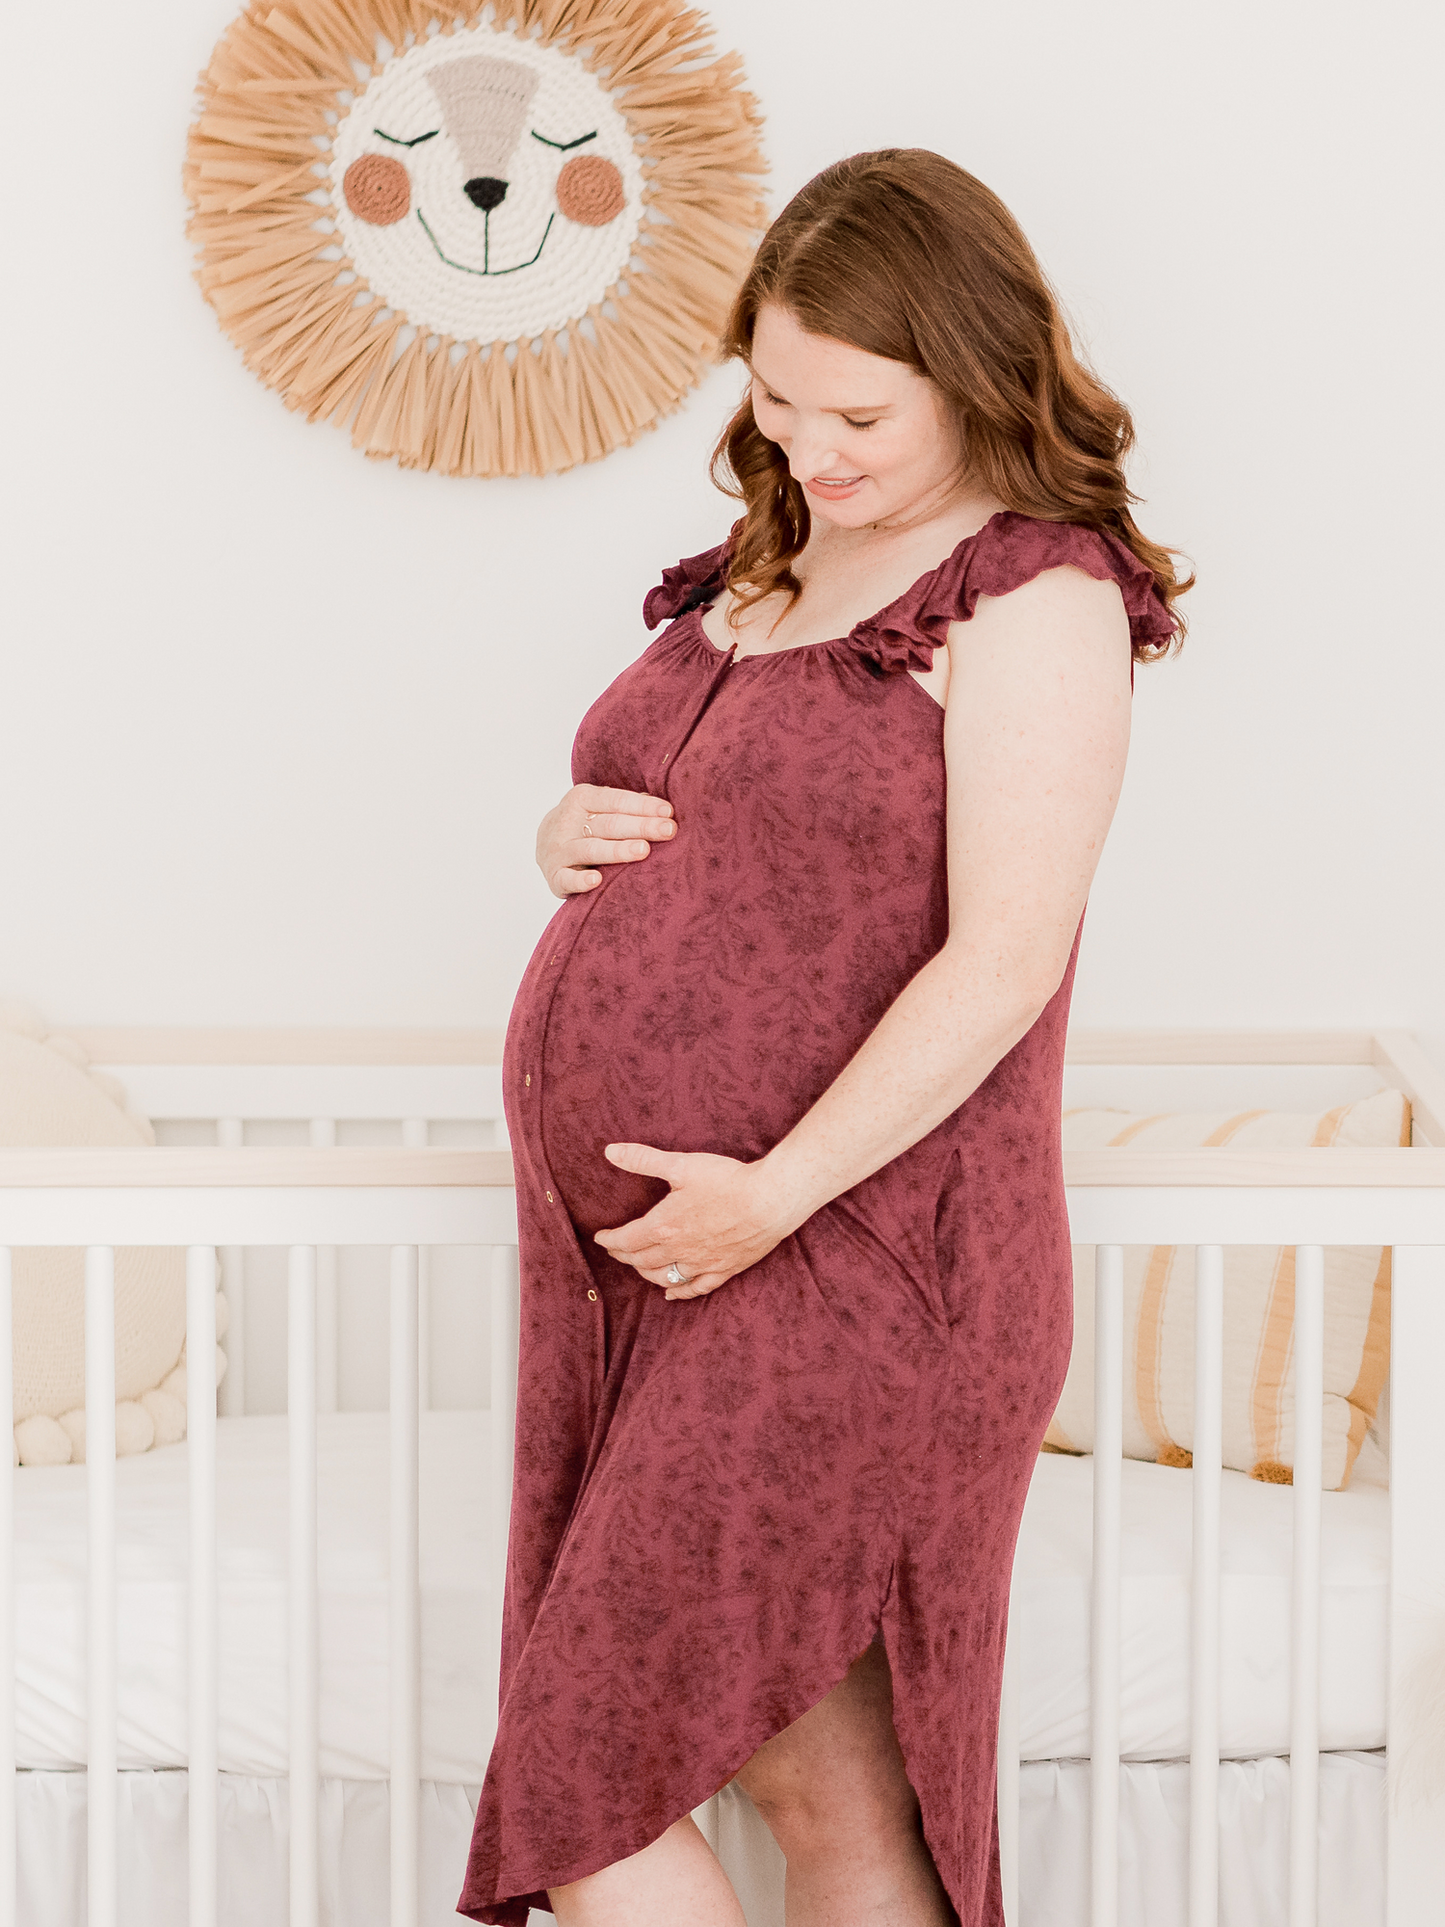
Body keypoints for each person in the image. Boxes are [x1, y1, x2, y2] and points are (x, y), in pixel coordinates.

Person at [459, 148, 1189, 1927]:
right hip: (686, 1264)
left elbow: (1004, 956)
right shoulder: (786, 548)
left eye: (857, 410)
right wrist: (575, 834)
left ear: (976, 364)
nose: (810, 446)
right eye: (776, 403)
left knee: (581, 1786)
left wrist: (771, 1194)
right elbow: (734, 809)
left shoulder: (1035, 596)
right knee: (820, 1779)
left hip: (860, 1256)